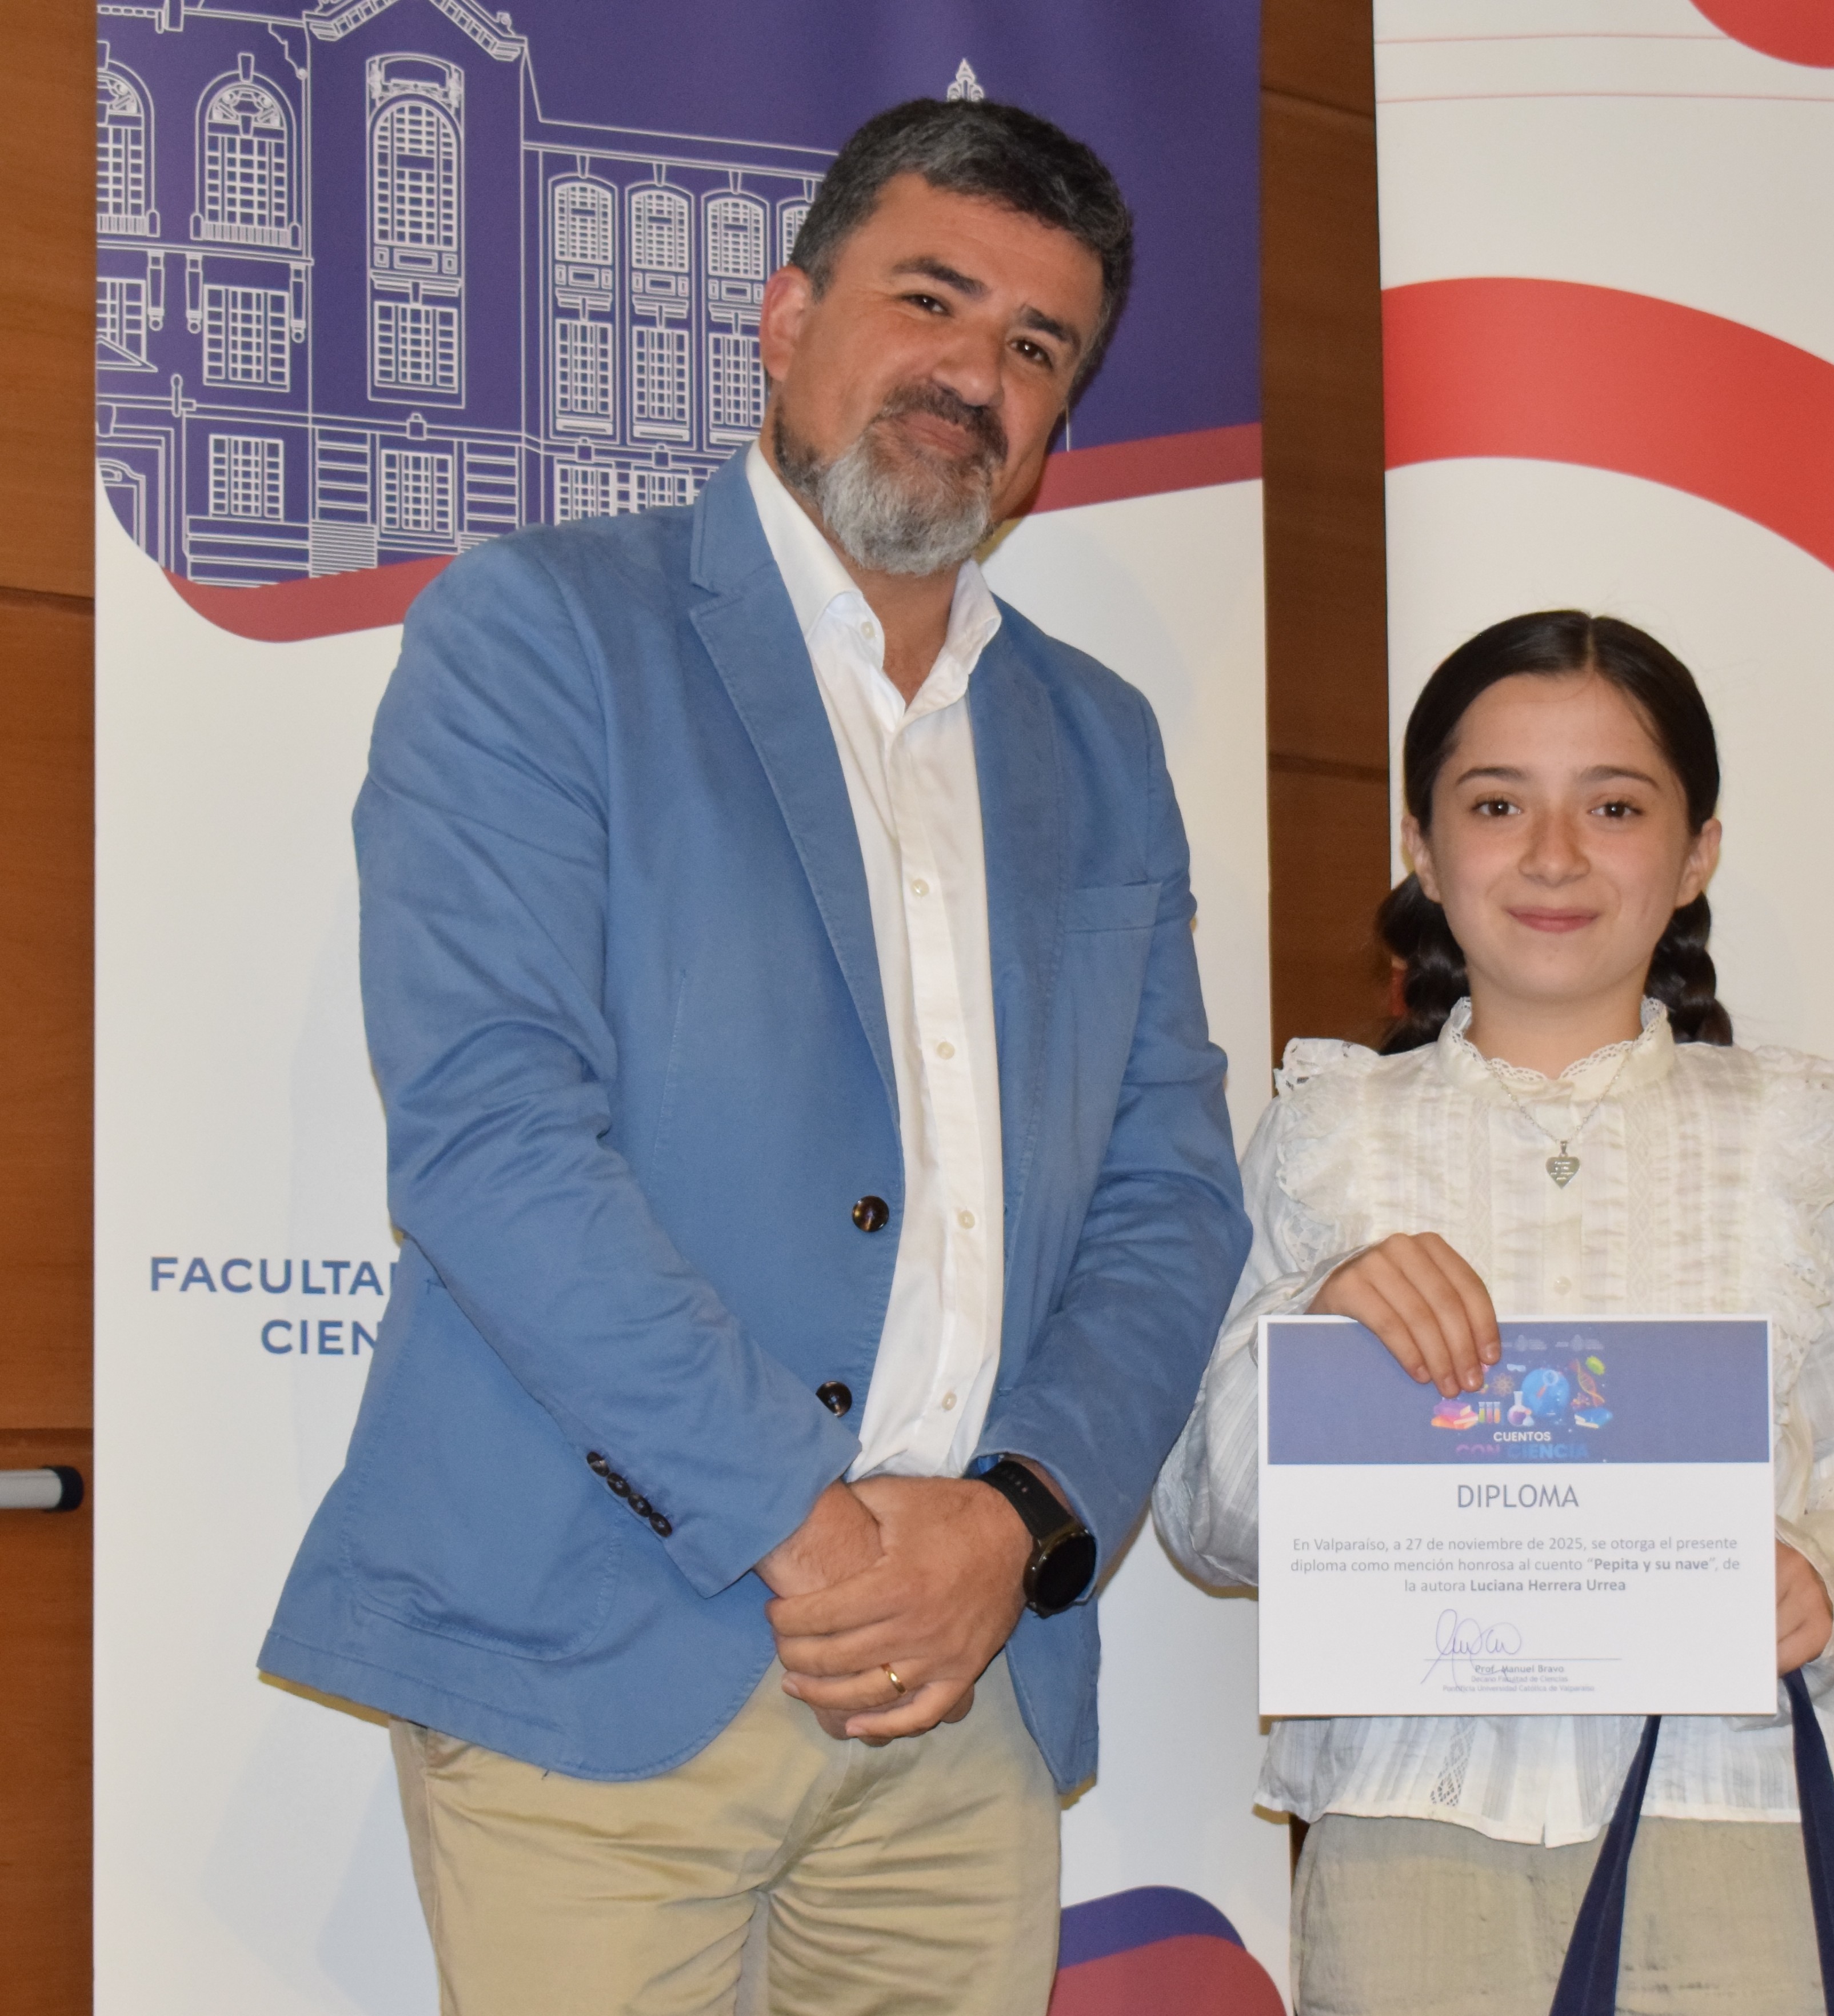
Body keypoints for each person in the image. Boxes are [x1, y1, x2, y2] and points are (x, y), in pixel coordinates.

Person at [258, 98, 1250, 2016]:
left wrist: (1018, 1520)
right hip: (605, 1645)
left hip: (963, 1688)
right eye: (929, 299)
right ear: (788, 316)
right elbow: (490, 1138)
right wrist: (811, 1528)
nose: (974, 373)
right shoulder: (545, 634)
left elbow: (1170, 1193)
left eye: (1036, 345)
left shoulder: (1102, 743)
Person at [1154, 610, 1834, 2015]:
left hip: (1731, 1818)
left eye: (1614, 807)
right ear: (1422, 846)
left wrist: (1832, 1584)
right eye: (1496, 806)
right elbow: (1203, 1518)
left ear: (1697, 852)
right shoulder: (1329, 1136)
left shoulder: (1788, 1135)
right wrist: (1314, 1326)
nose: (1553, 856)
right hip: (1408, 1837)